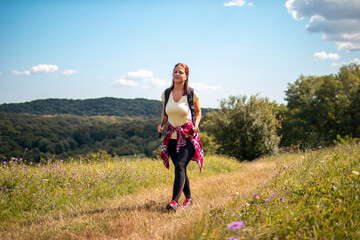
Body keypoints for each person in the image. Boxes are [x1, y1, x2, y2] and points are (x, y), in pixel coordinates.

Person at [158, 63, 204, 211]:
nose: (177, 74)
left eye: (181, 72)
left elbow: (197, 112)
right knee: (180, 168)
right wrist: (162, 125)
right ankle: (189, 198)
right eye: (175, 72)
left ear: (186, 76)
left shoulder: (191, 94)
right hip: (171, 137)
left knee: (180, 165)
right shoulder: (166, 93)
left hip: (188, 137)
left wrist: (196, 124)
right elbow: (165, 112)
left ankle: (173, 201)